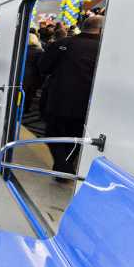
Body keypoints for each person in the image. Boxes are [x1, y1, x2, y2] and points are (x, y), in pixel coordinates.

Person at [39, 15, 104, 177]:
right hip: (86, 104)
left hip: (57, 99)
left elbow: (43, 67)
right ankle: (64, 167)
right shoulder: (104, 48)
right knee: (76, 138)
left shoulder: (62, 44)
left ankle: (62, 166)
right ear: (101, 29)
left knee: (52, 133)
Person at [23, 33, 44, 112]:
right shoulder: (39, 51)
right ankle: (26, 109)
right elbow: (41, 65)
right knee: (30, 93)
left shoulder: (22, 49)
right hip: (34, 75)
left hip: (22, 73)